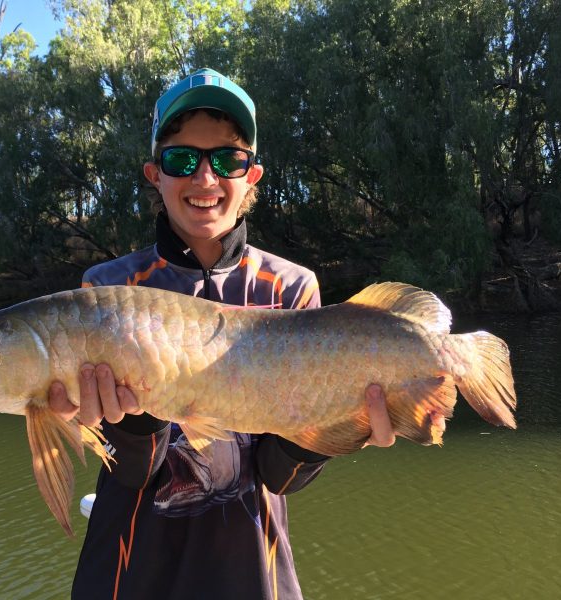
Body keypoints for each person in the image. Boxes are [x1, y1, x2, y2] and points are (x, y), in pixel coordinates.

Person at [48, 68, 400, 599]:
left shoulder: (292, 288)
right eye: (181, 159)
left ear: (251, 175)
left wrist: (339, 425)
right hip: (130, 571)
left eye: (228, 159)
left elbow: (279, 476)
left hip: (251, 570)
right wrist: (135, 418)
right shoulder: (107, 291)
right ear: (155, 174)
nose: (205, 178)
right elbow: (133, 473)